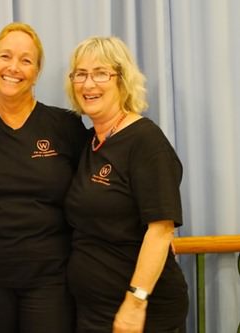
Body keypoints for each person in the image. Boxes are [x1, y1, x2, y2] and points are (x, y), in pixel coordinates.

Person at [0, 22, 88, 333]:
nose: (13, 67)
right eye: (5, 56)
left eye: (26, 60)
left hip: (51, 278)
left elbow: (95, 190)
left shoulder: (65, 125)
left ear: (37, 72)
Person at [64, 36, 189, 332]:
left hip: (140, 313)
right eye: (80, 74)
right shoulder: (89, 142)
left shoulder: (146, 142)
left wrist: (136, 302)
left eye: (101, 73)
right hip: (95, 309)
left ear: (123, 79)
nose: (88, 84)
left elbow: (161, 230)